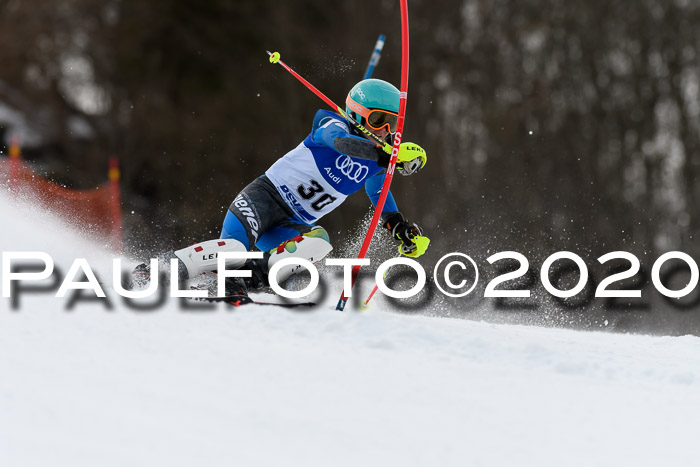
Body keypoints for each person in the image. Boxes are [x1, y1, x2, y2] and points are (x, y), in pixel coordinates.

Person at [134, 78, 428, 297]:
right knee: (235, 248)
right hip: (263, 199)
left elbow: (380, 195)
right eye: (379, 120)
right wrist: (385, 155)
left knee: (320, 242)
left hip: (291, 223)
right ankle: (158, 269)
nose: (386, 131)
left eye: (392, 124)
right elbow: (342, 144)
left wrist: (398, 227)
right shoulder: (330, 123)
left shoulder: (378, 161)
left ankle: (241, 280)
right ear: (358, 113)